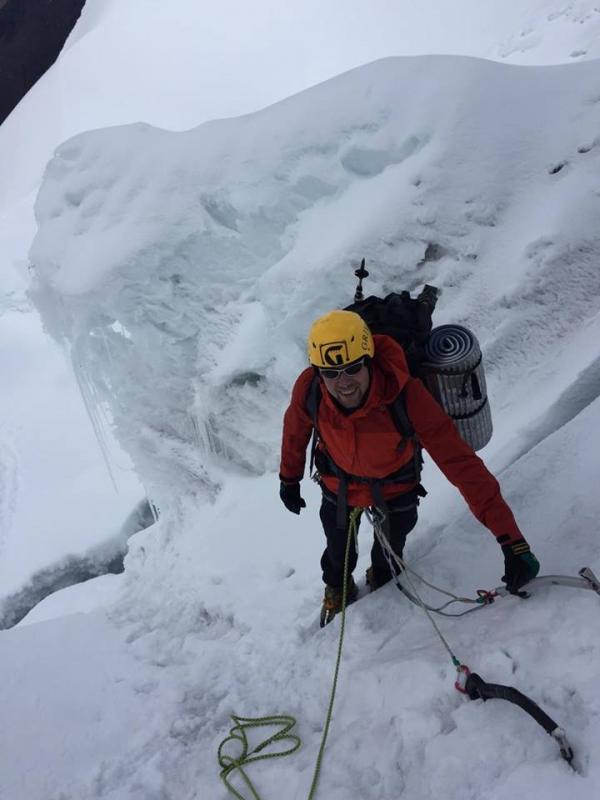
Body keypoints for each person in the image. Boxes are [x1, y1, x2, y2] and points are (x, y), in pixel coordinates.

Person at [279, 309, 540, 626]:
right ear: (318, 372)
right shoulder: (310, 390)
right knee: (337, 555)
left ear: (369, 360)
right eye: (330, 373)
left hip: (395, 490)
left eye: (352, 368)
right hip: (339, 487)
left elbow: (462, 465)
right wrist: (288, 479)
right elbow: (295, 430)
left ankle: (381, 582)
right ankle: (338, 588)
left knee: (389, 555)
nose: (342, 382)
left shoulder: (406, 395)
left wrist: (511, 540)